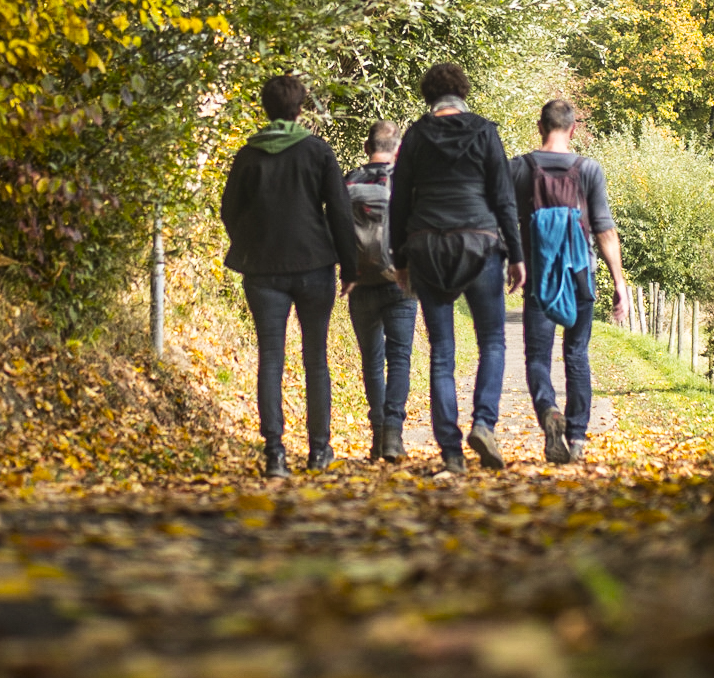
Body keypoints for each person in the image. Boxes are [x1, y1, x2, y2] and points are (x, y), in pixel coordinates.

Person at [219, 74, 360, 477]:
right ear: (300, 109)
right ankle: (319, 450)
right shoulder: (317, 152)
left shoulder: (248, 155)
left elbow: (229, 211)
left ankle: (275, 453)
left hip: (262, 270)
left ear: (265, 109)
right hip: (314, 266)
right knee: (315, 358)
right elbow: (339, 212)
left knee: (270, 358)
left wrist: (251, 243)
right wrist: (349, 268)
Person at [387, 60, 522, 471]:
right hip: (480, 243)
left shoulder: (415, 136)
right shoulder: (484, 132)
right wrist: (516, 255)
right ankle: (483, 422)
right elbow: (503, 198)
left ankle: (450, 452)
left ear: (429, 95)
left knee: (442, 352)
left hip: (427, 245)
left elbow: (400, 201)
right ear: (462, 92)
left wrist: (400, 259)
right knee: (492, 341)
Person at [510, 99, 628, 464]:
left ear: (540, 126)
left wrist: (513, 262)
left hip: (539, 273)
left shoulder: (519, 168)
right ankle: (576, 437)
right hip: (580, 272)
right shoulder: (589, 170)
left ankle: (548, 409)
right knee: (577, 355)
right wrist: (619, 282)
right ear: (573, 128)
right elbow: (605, 229)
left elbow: (504, 220)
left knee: (537, 357)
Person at [342, 121, 417, 461]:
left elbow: (337, 230)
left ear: (365, 146)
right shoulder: (405, 181)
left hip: (360, 281)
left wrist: (345, 271)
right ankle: (393, 436)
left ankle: (376, 435)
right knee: (399, 357)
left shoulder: (350, 181)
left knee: (371, 360)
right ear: (398, 149)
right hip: (399, 281)